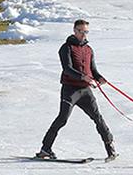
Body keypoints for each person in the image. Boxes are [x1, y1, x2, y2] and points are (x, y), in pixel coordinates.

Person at [37, 19, 117, 161]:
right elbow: (67, 69)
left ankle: (110, 148)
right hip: (70, 90)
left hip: (85, 91)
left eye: (86, 31)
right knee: (62, 119)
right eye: (81, 31)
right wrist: (84, 77)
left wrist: (99, 78)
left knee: (98, 118)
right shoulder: (66, 48)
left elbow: (93, 70)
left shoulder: (88, 49)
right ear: (74, 30)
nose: (83, 34)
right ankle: (45, 149)